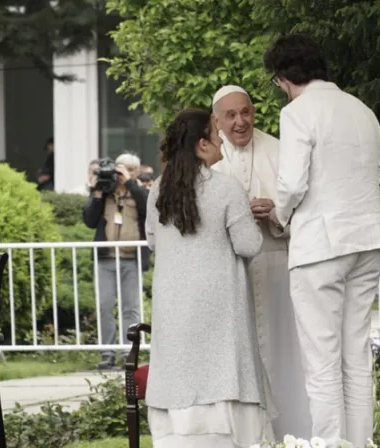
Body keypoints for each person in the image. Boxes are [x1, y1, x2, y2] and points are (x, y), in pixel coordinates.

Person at [264, 33, 380, 447]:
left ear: (284, 76)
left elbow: (290, 184)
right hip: (367, 240)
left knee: (321, 362)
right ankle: (360, 444)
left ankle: (328, 445)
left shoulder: (297, 112)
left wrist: (278, 216)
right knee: (355, 357)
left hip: (320, 245)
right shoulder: (362, 109)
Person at [145, 109, 274, 448]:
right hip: (217, 308)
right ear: (202, 145)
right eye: (217, 137)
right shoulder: (226, 188)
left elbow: (153, 241)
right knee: (224, 374)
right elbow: (249, 245)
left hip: (173, 308)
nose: (221, 142)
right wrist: (249, 213)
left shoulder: (158, 191)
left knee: (178, 381)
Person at [211, 84, 311, 439]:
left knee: (286, 357)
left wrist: (276, 214)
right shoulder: (207, 157)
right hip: (230, 273)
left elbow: (304, 211)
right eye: (231, 115)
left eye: (246, 112)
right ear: (216, 121)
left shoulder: (280, 150)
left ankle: (296, 437)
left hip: (276, 266)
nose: (240, 122)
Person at [83, 155, 149, 370]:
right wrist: (97, 192)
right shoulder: (105, 190)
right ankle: (107, 353)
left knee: (131, 308)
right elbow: (89, 220)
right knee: (104, 306)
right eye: (121, 169)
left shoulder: (141, 191)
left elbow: (149, 210)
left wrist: (130, 182)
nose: (122, 173)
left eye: (130, 169)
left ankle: (129, 353)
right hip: (106, 257)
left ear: (136, 171)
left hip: (132, 257)